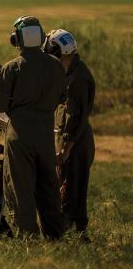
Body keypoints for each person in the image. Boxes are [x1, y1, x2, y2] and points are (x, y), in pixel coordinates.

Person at [0, 15, 67, 239]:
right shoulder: (56, 66)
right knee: (48, 185)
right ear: (41, 37)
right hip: (45, 134)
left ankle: (27, 236)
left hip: (19, 135)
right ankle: (55, 235)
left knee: (21, 187)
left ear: (17, 39)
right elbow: (62, 97)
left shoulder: (11, 69)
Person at [45, 29, 96, 235]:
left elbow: (75, 118)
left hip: (76, 143)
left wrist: (65, 150)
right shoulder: (69, 73)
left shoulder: (77, 79)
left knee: (70, 192)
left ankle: (67, 236)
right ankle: (76, 234)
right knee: (69, 188)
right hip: (71, 139)